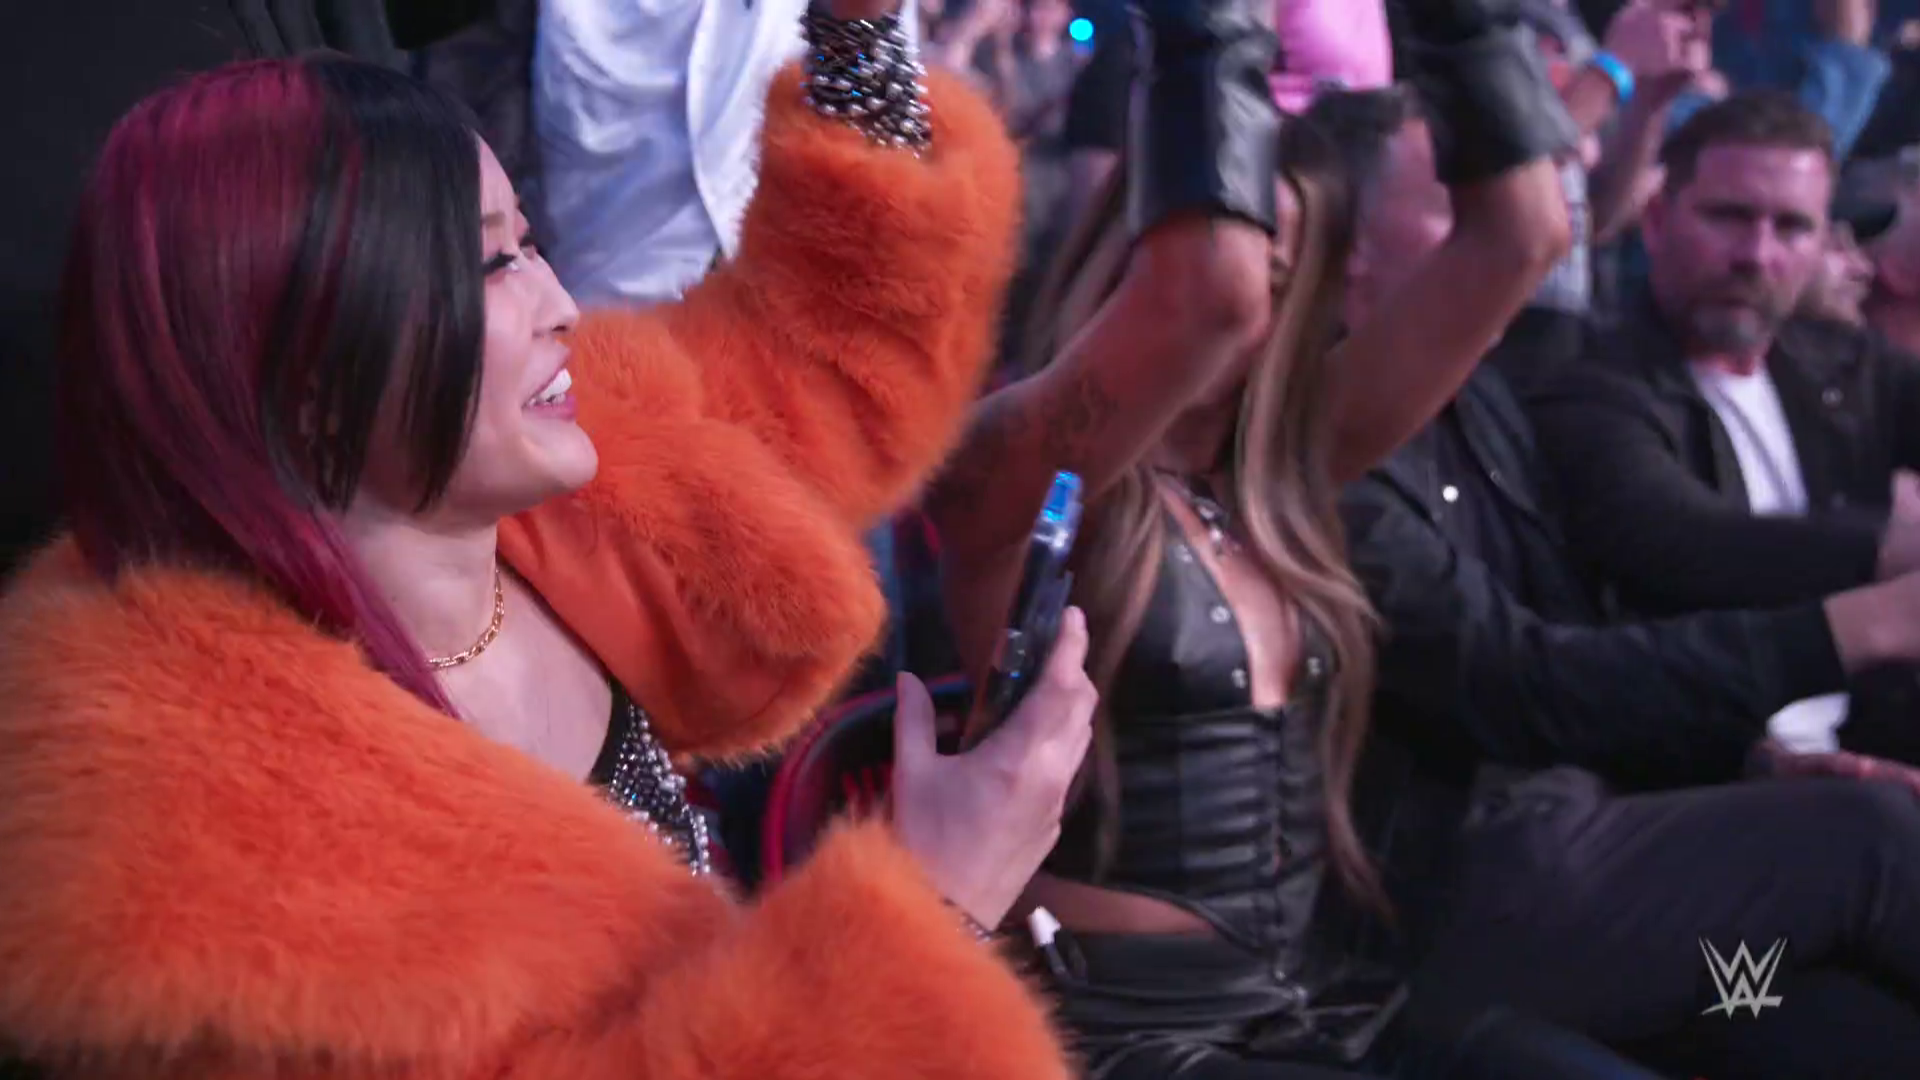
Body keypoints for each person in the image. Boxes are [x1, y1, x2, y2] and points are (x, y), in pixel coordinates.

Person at [0, 11, 1098, 1075]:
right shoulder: (195, 863)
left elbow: (827, 344)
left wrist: (856, 33)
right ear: (302, 368)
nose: (562, 303)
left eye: (529, 242)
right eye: (489, 266)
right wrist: (934, 909)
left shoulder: (572, 492)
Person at [928, 0, 1577, 1072]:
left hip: (1309, 1004)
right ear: (1130, 258)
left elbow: (1526, 236)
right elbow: (1206, 298)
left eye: (1282, 279)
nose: (1245, 300)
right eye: (1218, 239)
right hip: (1113, 1031)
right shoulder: (1009, 478)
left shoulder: (1283, 471)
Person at [1325, 85, 1920, 1079]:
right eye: (1467, 212)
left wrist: (1753, 769)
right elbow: (1536, 673)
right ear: (1346, 248)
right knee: (1873, 840)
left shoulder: (1479, 401)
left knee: (1837, 1025)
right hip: (1464, 911)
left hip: (1629, 885)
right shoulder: (1333, 448)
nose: (1518, 241)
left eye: (1791, 227)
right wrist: (1862, 615)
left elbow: (1581, 657)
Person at [1530, 91, 1920, 760]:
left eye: (1791, 227)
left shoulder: (1846, 366)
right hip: (1697, 765)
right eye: (1729, 217)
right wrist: (1885, 545)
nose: (1756, 254)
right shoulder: (1590, 379)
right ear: (1657, 221)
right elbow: (1678, 540)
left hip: (1870, 742)